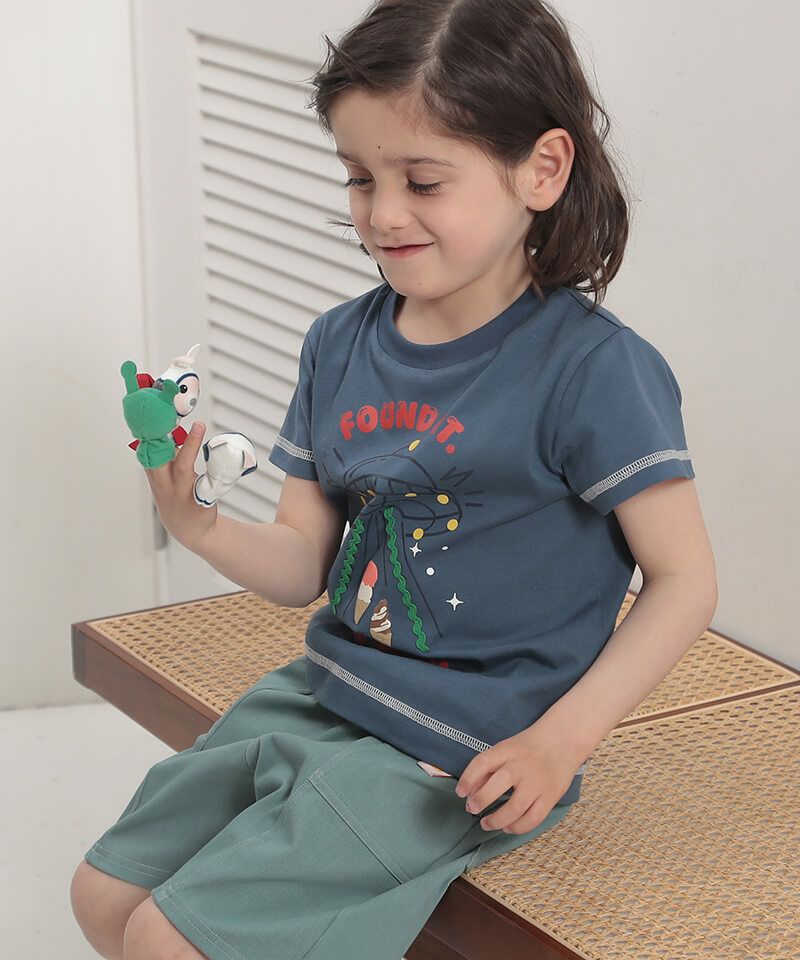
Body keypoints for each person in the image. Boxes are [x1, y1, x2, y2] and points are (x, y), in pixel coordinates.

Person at [70, 2, 718, 958]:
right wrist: (199, 523)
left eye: (422, 180)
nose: (381, 214)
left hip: (469, 745)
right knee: (101, 896)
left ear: (543, 169)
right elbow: (304, 563)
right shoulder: (339, 342)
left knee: (168, 940)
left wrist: (560, 742)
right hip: (329, 689)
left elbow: (684, 580)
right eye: (359, 177)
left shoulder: (595, 371)